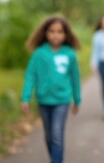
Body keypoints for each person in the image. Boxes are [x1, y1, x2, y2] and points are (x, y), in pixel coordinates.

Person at [21, 16, 81, 163]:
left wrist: (77, 99)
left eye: (60, 31)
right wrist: (25, 98)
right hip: (43, 100)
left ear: (66, 34)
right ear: (45, 33)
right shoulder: (38, 54)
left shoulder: (70, 54)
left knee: (56, 135)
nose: (55, 35)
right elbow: (30, 76)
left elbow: (75, 77)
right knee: (48, 136)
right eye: (52, 31)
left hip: (62, 100)